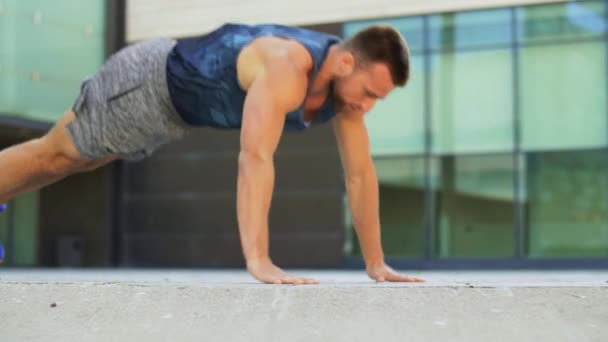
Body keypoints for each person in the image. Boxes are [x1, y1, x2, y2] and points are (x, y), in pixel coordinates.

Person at [0, 23, 425, 284]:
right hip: (149, 83)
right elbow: (255, 156)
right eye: (370, 93)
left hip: (171, 113)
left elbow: (360, 176)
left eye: (377, 101)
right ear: (347, 63)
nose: (366, 106)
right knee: (57, 155)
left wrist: (376, 262)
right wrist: (258, 259)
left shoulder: (345, 98)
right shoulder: (288, 67)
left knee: (79, 161)